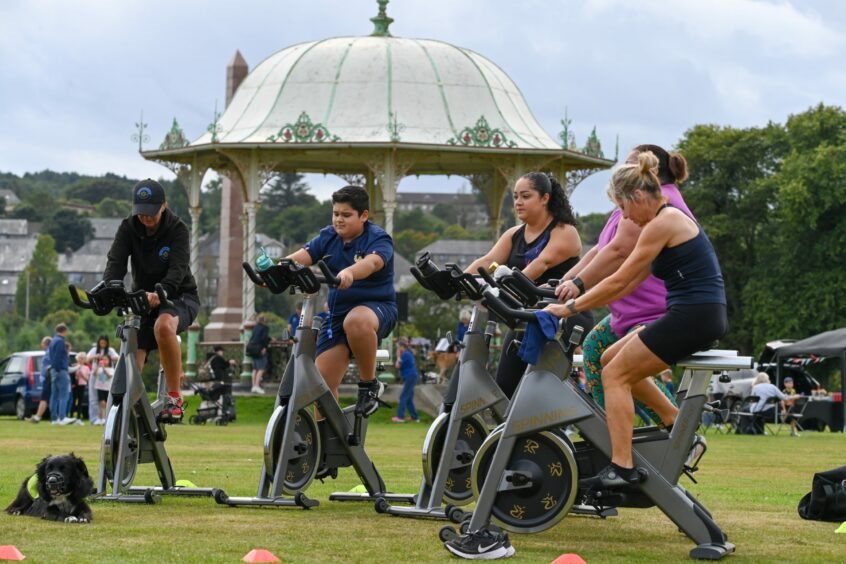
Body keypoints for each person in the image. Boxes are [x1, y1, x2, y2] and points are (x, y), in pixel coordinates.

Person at [547, 150, 727, 489]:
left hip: (695, 316)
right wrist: (573, 297)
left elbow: (618, 279)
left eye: (624, 207)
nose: (625, 216)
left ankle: (622, 466)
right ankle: (676, 424)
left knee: (615, 374)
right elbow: (627, 281)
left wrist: (569, 308)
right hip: (693, 313)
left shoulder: (664, 222)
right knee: (607, 358)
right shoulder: (661, 221)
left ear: (639, 196)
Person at [557, 145, 693, 424]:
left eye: (631, 165)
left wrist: (578, 287)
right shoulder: (631, 204)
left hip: (654, 309)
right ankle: (638, 434)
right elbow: (600, 249)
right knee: (596, 351)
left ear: (650, 171)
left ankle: (660, 433)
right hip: (633, 308)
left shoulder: (656, 204)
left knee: (612, 366)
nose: (623, 171)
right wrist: (566, 280)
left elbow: (619, 252)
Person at [464, 172, 591, 398]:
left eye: (525, 196)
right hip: (527, 317)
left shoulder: (565, 232)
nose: (518, 202)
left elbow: (541, 264)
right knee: (506, 386)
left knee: (541, 390)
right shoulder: (514, 234)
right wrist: (460, 280)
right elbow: (487, 261)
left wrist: (503, 289)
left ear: (545, 198)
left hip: (564, 316)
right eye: (515, 197)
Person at [286, 185, 396, 415]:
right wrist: (276, 270)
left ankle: (369, 386)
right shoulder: (328, 237)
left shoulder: (378, 238)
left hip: (375, 309)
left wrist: (349, 272)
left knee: (356, 322)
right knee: (320, 388)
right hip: (338, 316)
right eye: (336, 214)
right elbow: (298, 259)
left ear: (363, 216)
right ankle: (330, 444)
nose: (339, 220)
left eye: (346, 215)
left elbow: (372, 263)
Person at [103, 178, 200, 423]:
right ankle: (129, 404)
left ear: (164, 206)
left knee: (163, 326)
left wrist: (162, 292)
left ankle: (175, 399)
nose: (146, 218)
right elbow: (116, 262)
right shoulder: (128, 227)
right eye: (141, 213)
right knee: (133, 345)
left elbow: (178, 268)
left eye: (151, 213)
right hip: (142, 298)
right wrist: (110, 287)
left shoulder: (178, 229)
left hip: (179, 295)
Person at [87, 335, 119, 424]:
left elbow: (118, 357)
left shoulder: (110, 350)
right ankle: (94, 418)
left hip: (107, 376)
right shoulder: (94, 350)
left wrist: (108, 357)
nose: (103, 345)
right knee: (93, 397)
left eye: (104, 343)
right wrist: (95, 357)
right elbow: (87, 358)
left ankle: (106, 418)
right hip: (95, 375)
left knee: (106, 398)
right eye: (101, 343)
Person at [47, 323, 74, 425]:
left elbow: (51, 356)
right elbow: (59, 356)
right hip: (60, 370)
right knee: (64, 394)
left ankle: (54, 418)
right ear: (65, 331)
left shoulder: (53, 341)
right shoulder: (60, 341)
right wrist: (59, 369)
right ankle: (62, 417)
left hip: (53, 369)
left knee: (54, 395)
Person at [392, 338, 419, 423]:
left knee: (403, 397)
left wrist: (398, 356)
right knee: (408, 398)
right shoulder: (407, 354)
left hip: (410, 376)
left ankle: (400, 417)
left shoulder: (405, 354)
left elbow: (397, 365)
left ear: (401, 347)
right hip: (411, 376)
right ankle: (415, 417)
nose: (397, 349)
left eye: (397, 347)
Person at [28, 336, 52, 423]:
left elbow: (48, 365)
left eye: (42, 343)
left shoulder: (49, 352)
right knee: (48, 398)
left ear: (45, 343)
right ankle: (39, 416)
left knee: (44, 398)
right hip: (47, 377)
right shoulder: (48, 352)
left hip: (48, 377)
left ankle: (38, 417)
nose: (41, 345)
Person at [247, 314, 271, 394]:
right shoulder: (265, 328)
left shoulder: (255, 327)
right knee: (261, 368)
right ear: (264, 321)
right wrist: (264, 347)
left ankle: (253, 386)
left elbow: (254, 338)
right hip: (259, 349)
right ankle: (257, 386)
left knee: (255, 369)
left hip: (252, 349)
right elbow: (264, 339)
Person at [93, 356, 115, 424]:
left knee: (107, 403)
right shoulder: (99, 369)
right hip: (100, 388)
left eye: (106, 359)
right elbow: (94, 374)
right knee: (101, 403)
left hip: (107, 388)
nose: (104, 361)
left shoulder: (111, 369)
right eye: (103, 359)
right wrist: (98, 367)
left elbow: (110, 376)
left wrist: (104, 369)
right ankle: (101, 418)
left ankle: (106, 418)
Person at [72, 352, 90, 420]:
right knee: (73, 400)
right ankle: (71, 415)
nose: (81, 360)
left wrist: (82, 374)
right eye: (80, 358)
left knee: (80, 401)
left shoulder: (86, 368)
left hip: (82, 385)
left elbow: (87, 379)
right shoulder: (74, 366)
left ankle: (78, 416)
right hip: (75, 385)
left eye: (82, 358)